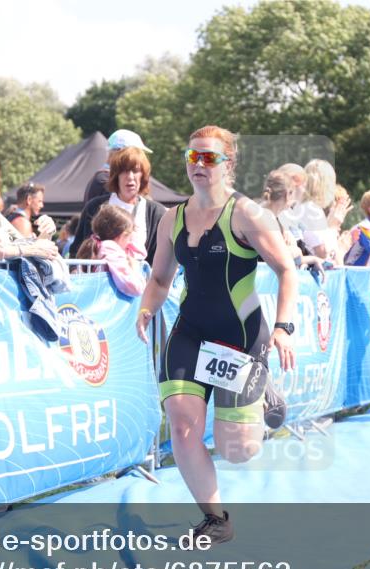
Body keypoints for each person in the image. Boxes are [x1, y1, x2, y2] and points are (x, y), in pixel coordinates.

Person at [135, 125, 298, 545]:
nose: (198, 166)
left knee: (237, 450)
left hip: (239, 336)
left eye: (208, 158)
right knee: (183, 425)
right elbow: (159, 277)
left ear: (229, 165)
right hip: (191, 332)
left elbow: (286, 270)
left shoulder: (248, 215)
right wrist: (147, 306)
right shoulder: (172, 217)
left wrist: (283, 328)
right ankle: (217, 519)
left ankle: (263, 394)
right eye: (193, 157)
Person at [70, 146, 166, 265]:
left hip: (140, 281)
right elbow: (77, 250)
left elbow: (161, 260)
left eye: (135, 170)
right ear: (116, 175)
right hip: (99, 280)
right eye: (124, 170)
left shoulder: (156, 213)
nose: (130, 177)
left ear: (143, 175)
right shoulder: (94, 207)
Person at [259, 170, 327, 275]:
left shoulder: (271, 217)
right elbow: (279, 255)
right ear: (288, 195)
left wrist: (312, 259)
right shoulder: (264, 218)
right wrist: (296, 251)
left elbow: (286, 258)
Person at [74, 204, 146, 297]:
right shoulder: (110, 249)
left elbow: (138, 253)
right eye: (130, 235)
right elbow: (133, 287)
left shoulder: (100, 244)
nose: (131, 240)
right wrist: (136, 270)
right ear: (122, 235)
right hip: (108, 306)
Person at [83, 129, 153, 206]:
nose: (140, 157)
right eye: (135, 152)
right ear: (120, 152)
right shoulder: (104, 179)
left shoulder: (102, 177)